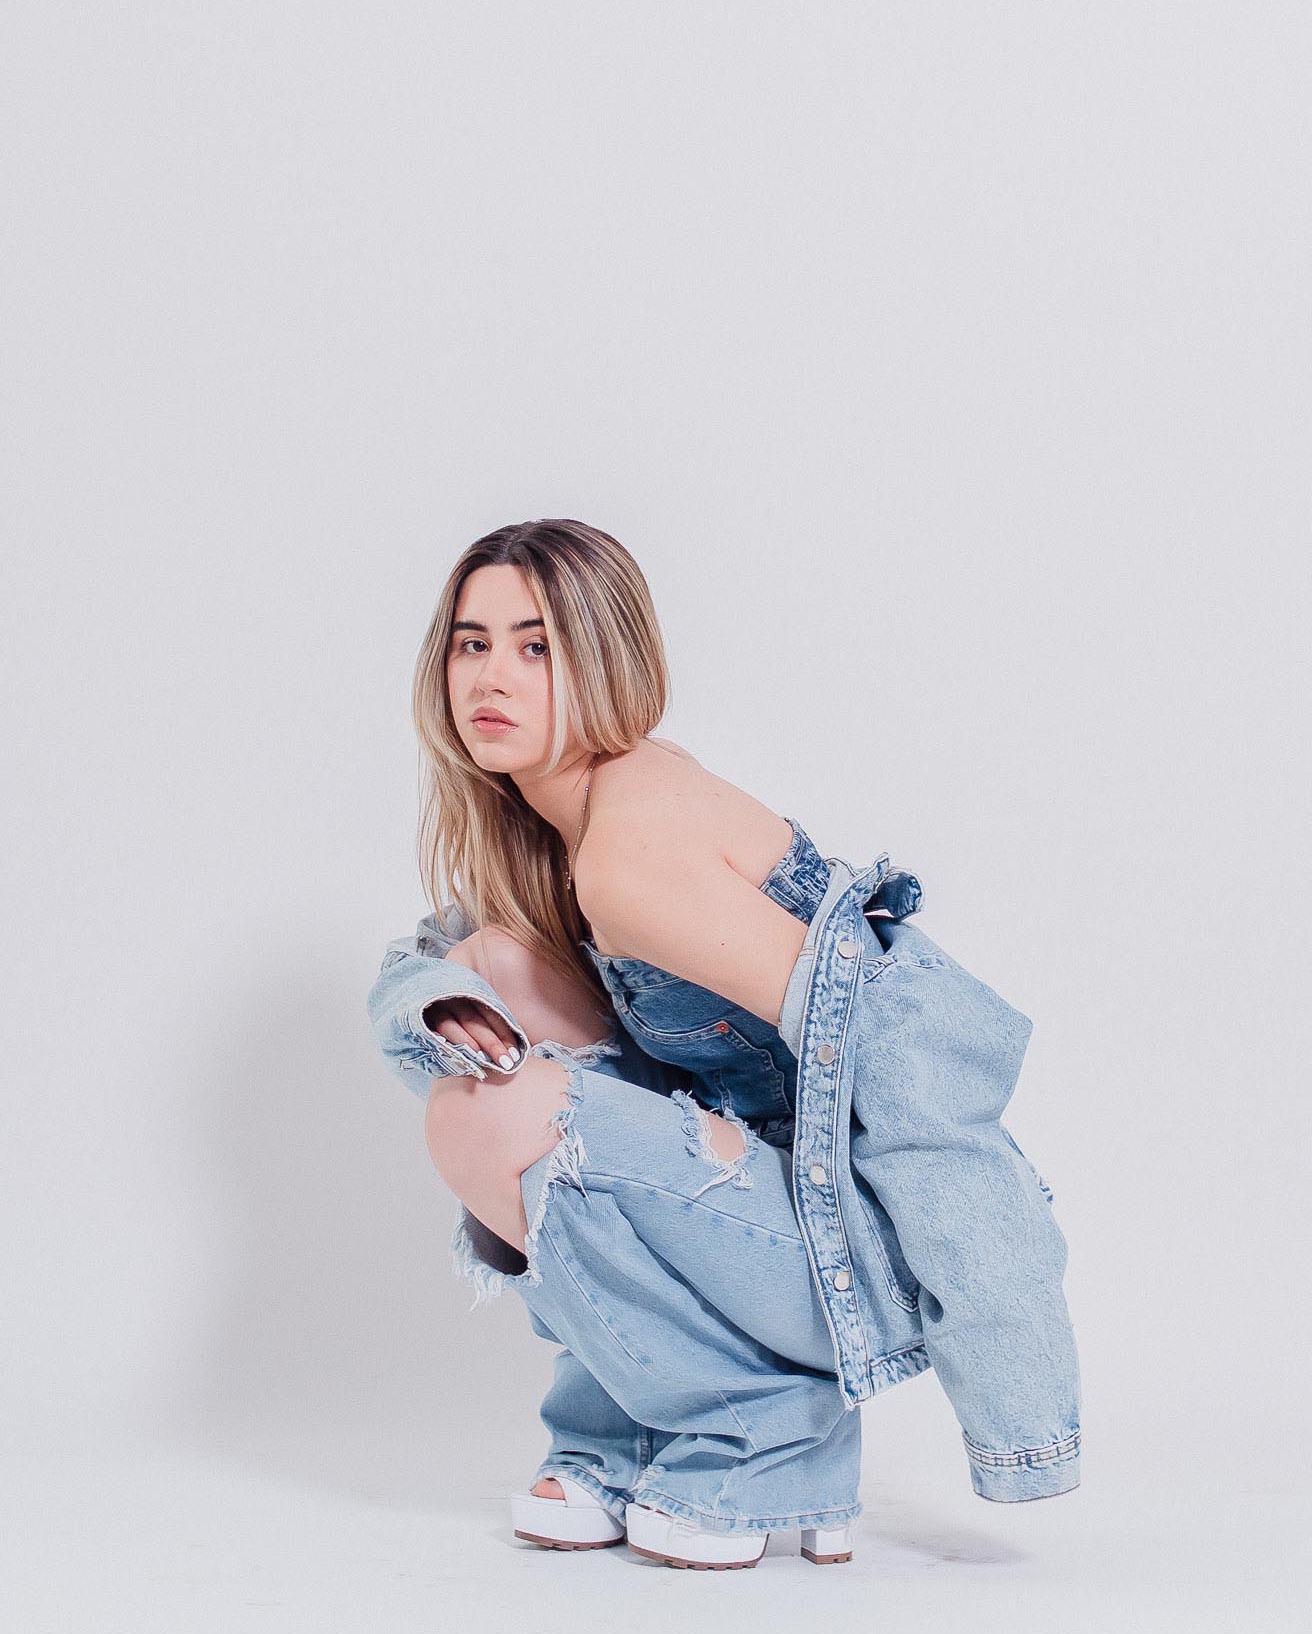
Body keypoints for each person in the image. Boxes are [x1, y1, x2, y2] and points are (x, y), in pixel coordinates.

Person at [366, 518, 1082, 1570]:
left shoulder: (629, 852)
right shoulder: (564, 832)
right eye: (472, 643)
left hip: (841, 1259)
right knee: (490, 970)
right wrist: (436, 1006)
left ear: (607, 660)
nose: (492, 677)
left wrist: (1015, 1396)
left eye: (537, 646)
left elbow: (914, 1066)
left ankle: (770, 1435)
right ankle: (625, 1434)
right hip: (769, 1214)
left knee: (491, 1117)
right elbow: (430, 962)